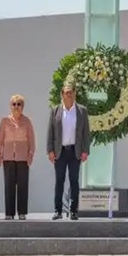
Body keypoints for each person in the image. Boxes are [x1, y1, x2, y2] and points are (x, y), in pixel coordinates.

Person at [47, 82, 90, 220]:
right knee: (59, 180)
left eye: (71, 92)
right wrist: (50, 150)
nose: (69, 95)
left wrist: (85, 150)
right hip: (60, 151)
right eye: (66, 92)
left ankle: (73, 211)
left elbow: (86, 133)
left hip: (74, 151)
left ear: (74, 94)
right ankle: (57, 210)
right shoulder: (55, 111)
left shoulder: (81, 111)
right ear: (62, 95)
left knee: (74, 181)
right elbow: (50, 132)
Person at [0, 94, 36, 220]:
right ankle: (9, 213)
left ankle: (22, 212)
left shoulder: (27, 121)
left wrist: (30, 155)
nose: (16, 107)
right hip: (8, 157)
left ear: (23, 106)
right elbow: (0, 140)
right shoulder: (5, 121)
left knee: (23, 185)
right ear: (10, 106)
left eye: (19, 104)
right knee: (9, 185)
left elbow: (31, 140)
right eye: (14, 104)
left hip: (22, 157)